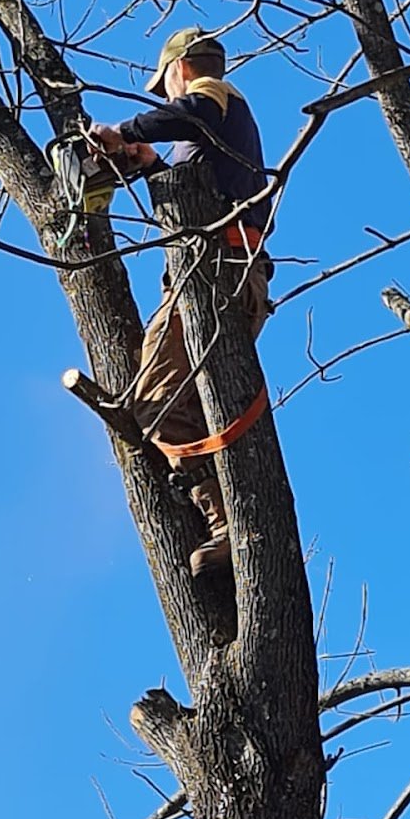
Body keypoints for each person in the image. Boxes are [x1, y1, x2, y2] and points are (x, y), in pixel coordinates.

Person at [90, 28, 272, 576]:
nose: (163, 96)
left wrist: (122, 129)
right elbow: (190, 192)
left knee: (156, 401)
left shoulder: (215, 94)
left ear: (180, 69)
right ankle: (219, 513)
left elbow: (189, 111)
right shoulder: (211, 140)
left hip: (220, 270)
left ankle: (224, 526)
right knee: (167, 395)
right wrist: (147, 163)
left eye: (165, 85)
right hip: (224, 272)